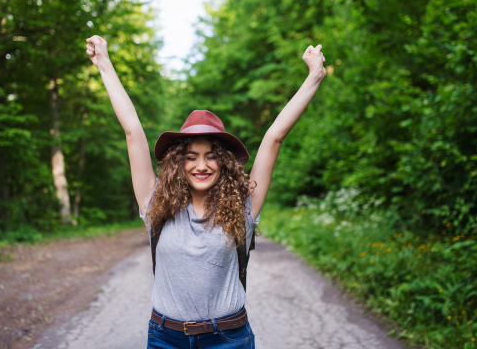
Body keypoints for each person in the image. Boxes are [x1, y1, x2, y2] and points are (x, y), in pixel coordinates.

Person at [85, 35, 326, 348]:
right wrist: (104, 63)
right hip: (165, 339)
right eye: (192, 156)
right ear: (178, 163)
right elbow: (132, 131)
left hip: (228, 338)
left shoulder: (243, 205)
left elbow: (274, 138)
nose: (202, 165)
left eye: (212, 155)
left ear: (224, 162)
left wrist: (314, 77)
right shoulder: (156, 203)